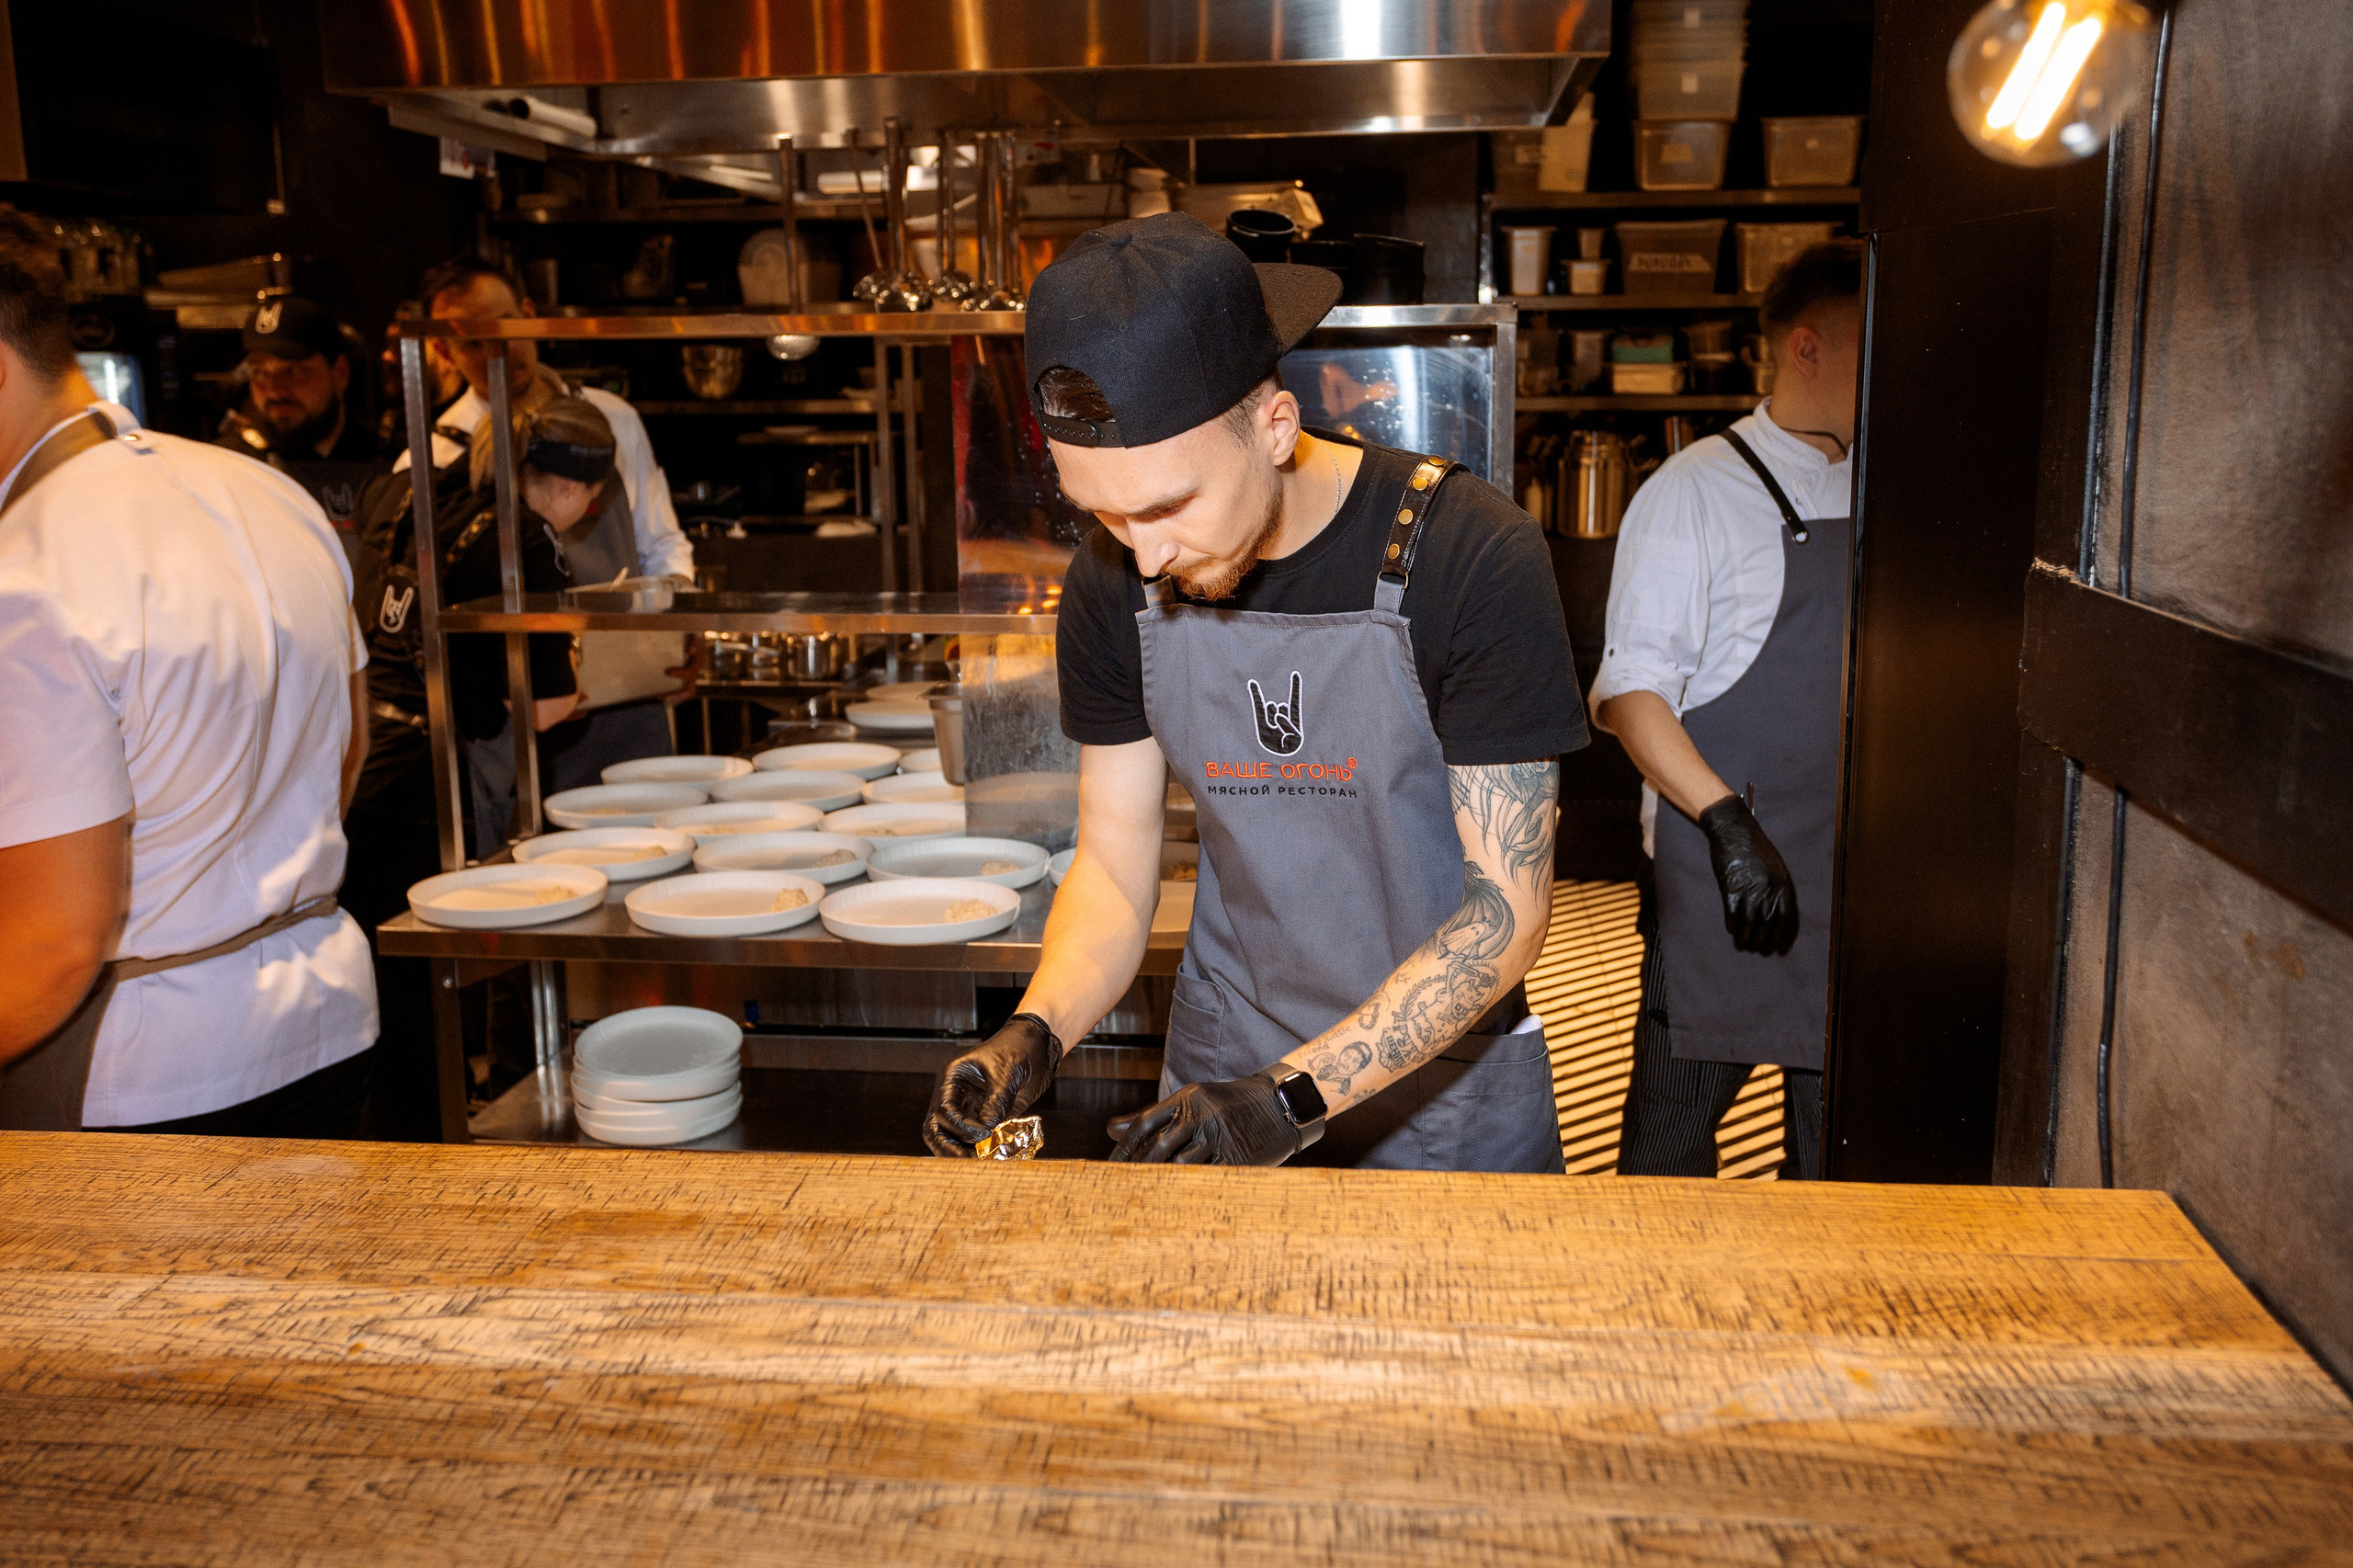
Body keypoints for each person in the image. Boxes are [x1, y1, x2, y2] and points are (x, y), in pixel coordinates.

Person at [921, 212, 1589, 1169]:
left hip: (1442, 1082)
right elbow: (1113, 867)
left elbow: (1504, 913)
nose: (1143, 553)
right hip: (1221, 1068)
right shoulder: (1113, 579)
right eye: (1102, 512)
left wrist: (1290, 1097)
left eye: (1165, 506)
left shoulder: (1471, 556)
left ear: (1275, 428)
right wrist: (1038, 1027)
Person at [0, 210, 377, 1135]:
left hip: (146, 1069)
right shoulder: (265, 491)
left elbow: (56, 941)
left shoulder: (24, 573)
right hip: (326, 1021)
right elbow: (347, 752)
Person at [1591, 239, 1865, 1181]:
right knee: (1669, 1149)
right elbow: (1631, 694)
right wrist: (1727, 824)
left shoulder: (1892, 480)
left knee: (1835, 1160)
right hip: (1728, 874)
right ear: (1806, 347)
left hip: (1852, 873)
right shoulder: (1694, 490)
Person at [343, 393, 619, 1136]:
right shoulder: (526, 536)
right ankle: (426, 1156)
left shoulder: (419, 494)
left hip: (352, 749)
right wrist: (607, 672)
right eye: (590, 502)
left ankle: (397, 1140)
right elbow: (542, 707)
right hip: (418, 776)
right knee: (416, 987)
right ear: (572, 488)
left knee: (377, 979)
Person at [395, 257, 698, 846]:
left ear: (530, 316)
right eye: (472, 342)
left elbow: (663, 545)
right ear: (444, 352)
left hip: (627, 706)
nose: (496, 351)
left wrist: (680, 628)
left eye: (505, 328)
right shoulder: (431, 456)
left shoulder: (611, 420)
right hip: (513, 730)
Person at [214, 295, 384, 538]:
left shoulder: (390, 465)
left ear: (340, 373)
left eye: (293, 371)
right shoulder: (225, 467)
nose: (275, 391)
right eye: (260, 372)